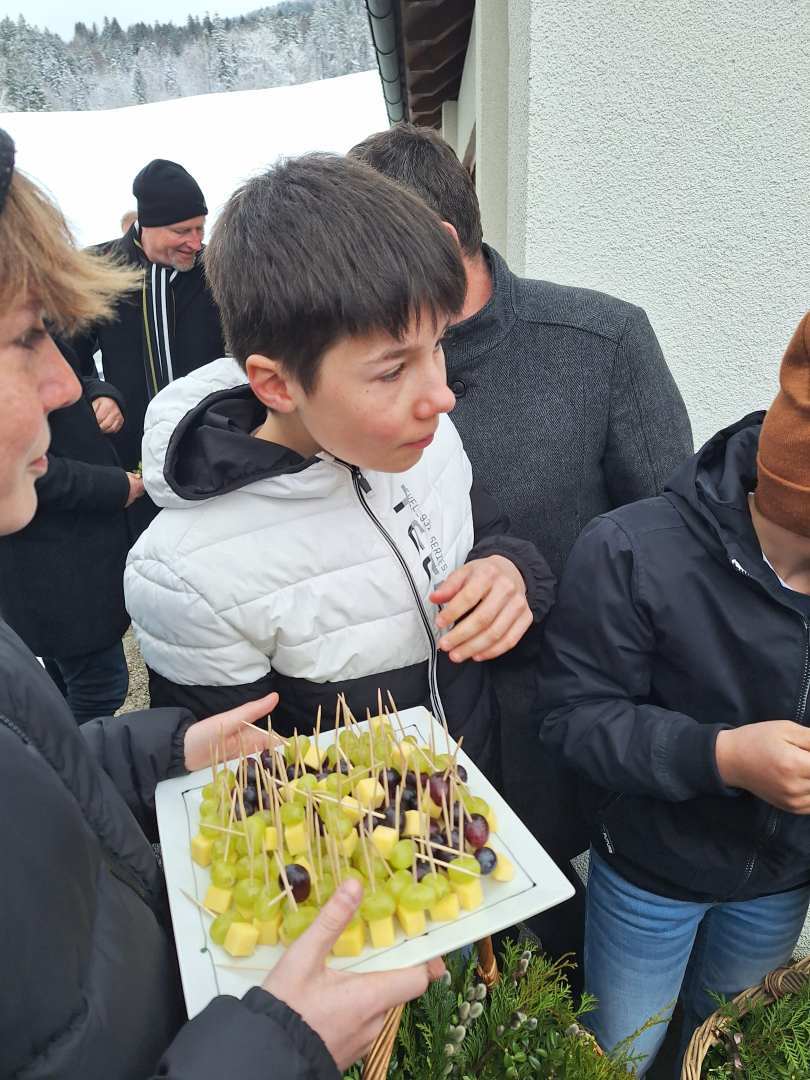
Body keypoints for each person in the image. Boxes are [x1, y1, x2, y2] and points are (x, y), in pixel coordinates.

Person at [0, 128, 443, 1080]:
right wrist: (278, 1044)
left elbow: (32, 784)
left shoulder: (428, 450)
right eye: (30, 336)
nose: (67, 382)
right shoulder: (190, 567)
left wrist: (157, 751)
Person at [348, 123, 695, 964]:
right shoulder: (341, 360)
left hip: (566, 740)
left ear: (438, 246)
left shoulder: (602, 342)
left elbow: (676, 551)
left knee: (570, 964)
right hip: (405, 749)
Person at [124, 154, 554, 777]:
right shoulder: (186, 574)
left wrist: (510, 572)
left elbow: (487, 530)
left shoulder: (423, 439)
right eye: (392, 370)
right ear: (277, 385)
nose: (441, 396)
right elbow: (243, 791)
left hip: (480, 791)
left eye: (437, 345)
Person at [539, 311, 810, 1076]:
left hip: (779, 881)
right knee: (620, 1050)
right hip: (651, 875)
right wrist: (721, 756)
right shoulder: (633, 549)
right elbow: (572, 718)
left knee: (725, 1047)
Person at [70, 159, 227, 537]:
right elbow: (67, 357)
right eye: (182, 230)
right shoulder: (98, 270)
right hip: (131, 463)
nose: (196, 242)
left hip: (212, 451)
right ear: (147, 223)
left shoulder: (218, 269)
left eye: (200, 228)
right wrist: (97, 392)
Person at [0, 337, 144, 722]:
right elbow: (24, 469)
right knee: (100, 687)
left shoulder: (28, 326)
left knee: (66, 676)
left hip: (70, 554)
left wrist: (100, 394)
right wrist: (115, 487)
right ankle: (71, 757)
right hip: (51, 560)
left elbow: (75, 376)